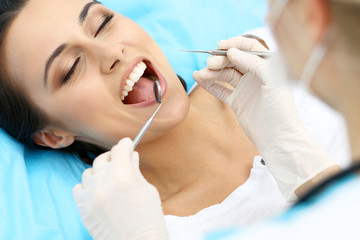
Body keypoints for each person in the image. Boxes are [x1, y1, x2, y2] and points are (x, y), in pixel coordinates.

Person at [2, 0, 340, 239]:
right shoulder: (138, 227)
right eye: (71, 68)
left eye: (102, 24)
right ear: (53, 135)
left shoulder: (284, 51)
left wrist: (295, 154)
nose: (112, 53)